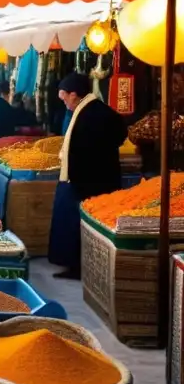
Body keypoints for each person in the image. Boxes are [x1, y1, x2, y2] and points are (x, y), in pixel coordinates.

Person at [48, 73, 126, 279]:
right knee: (72, 225)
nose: (63, 101)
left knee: (80, 226)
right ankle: (75, 266)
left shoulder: (95, 113)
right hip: (84, 180)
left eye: (64, 96)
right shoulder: (90, 111)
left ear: (74, 94)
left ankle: (79, 268)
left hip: (90, 183)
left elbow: (97, 146)